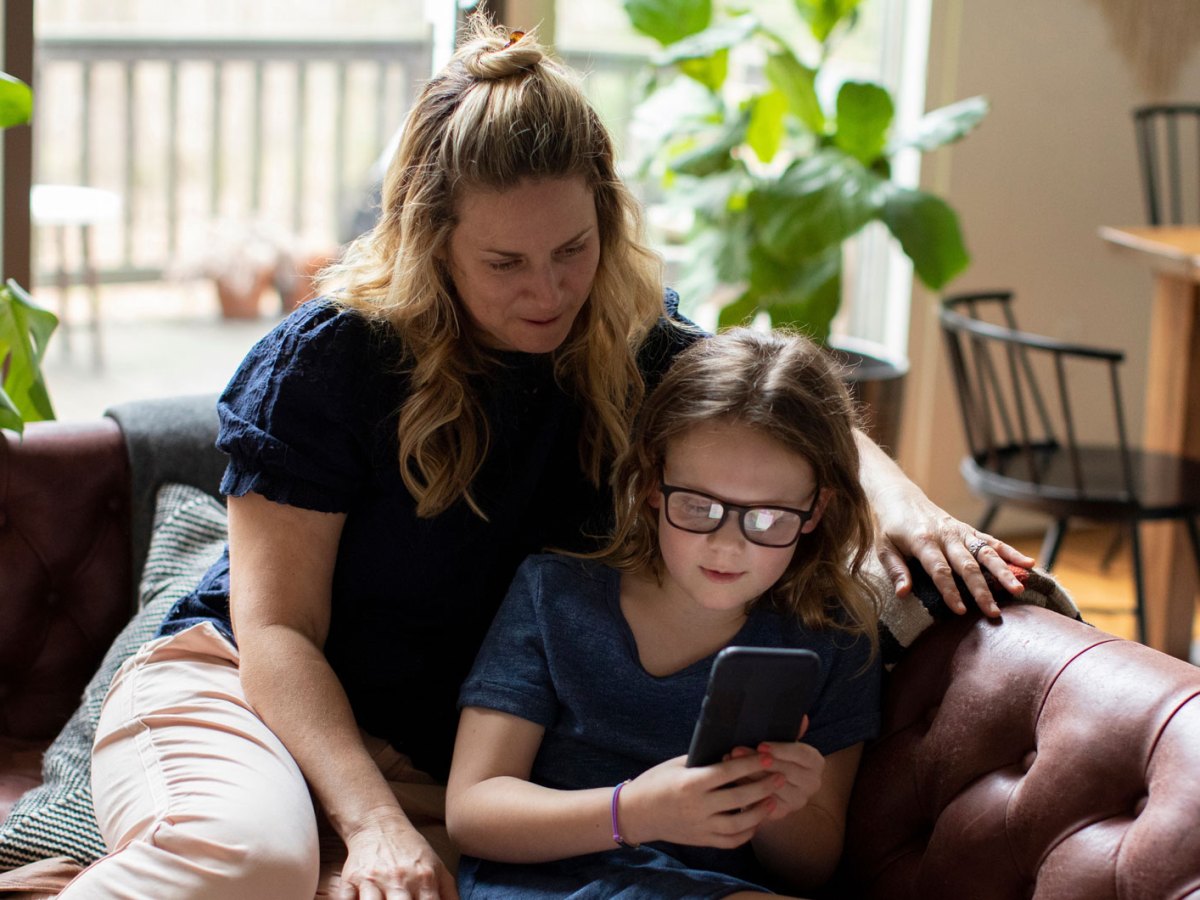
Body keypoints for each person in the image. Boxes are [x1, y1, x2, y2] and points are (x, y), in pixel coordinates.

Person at [59, 16, 1031, 900]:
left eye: (572, 249)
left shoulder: (627, 339)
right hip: (246, 694)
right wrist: (375, 826)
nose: (550, 290)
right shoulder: (333, 360)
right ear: (429, 240)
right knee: (252, 865)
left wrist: (909, 506)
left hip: (428, 760)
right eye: (505, 264)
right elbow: (275, 635)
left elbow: (771, 404)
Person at [445, 328, 882, 899]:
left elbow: (811, 870)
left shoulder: (836, 638)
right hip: (549, 878)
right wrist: (637, 813)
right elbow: (473, 812)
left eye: (768, 517)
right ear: (651, 483)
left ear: (816, 509)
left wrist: (776, 803)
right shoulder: (554, 596)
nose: (727, 546)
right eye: (699, 507)